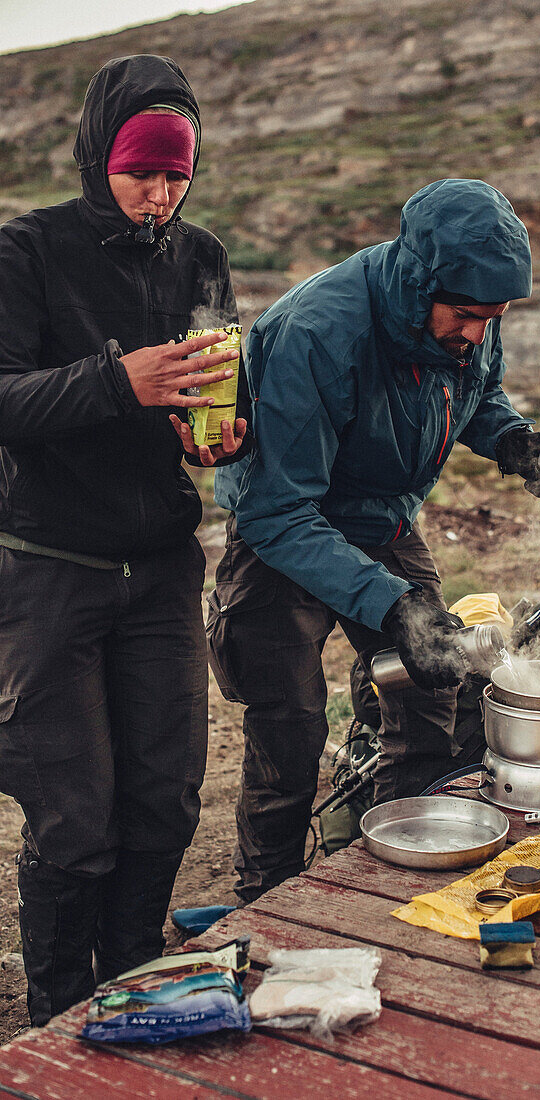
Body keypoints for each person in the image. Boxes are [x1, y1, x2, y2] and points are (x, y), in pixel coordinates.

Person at [210, 178, 540, 904]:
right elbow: (281, 510)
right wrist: (394, 605)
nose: (478, 332)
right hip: (285, 536)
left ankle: (394, 862)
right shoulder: (314, 332)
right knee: (291, 725)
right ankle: (269, 895)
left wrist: (513, 442)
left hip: (384, 518)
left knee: (431, 696)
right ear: (420, 282)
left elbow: (473, 390)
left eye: (494, 318)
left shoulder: (466, 311)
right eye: (469, 315)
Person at [0, 54, 248, 1027]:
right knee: (74, 813)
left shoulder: (202, 257)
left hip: (161, 566)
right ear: (101, 153)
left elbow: (222, 386)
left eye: (177, 174)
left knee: (166, 793)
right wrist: (119, 379)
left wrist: (230, 429)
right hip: (51, 567)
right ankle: (60, 1013)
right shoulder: (29, 249)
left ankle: (134, 982)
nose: (159, 193)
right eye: (142, 169)